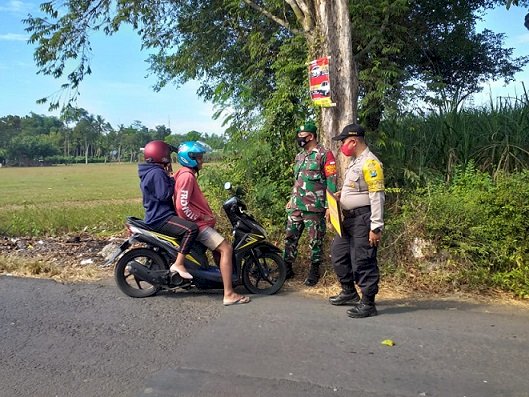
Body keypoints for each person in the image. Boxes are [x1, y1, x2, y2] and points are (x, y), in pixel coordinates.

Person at [173, 141, 251, 306]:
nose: (202, 161)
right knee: (226, 248)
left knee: (218, 251)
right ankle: (228, 294)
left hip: (200, 225)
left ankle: (224, 282)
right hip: (199, 227)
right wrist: (199, 217)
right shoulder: (187, 176)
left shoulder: (183, 173)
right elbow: (182, 206)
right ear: (190, 158)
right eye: (199, 157)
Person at [329, 123, 385, 318]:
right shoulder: (355, 162)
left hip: (364, 219)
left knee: (363, 260)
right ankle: (349, 292)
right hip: (349, 220)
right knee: (339, 254)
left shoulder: (370, 163)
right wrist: (339, 198)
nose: (341, 146)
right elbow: (356, 189)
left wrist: (376, 227)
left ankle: (368, 303)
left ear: (353, 141)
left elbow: (377, 195)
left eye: (343, 141)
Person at [283, 120, 338, 286]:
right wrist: (291, 198)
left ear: (311, 136)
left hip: (314, 206)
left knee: (315, 240)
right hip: (296, 205)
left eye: (302, 136)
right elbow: (298, 180)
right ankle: (287, 268)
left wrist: (330, 206)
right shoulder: (299, 156)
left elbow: (331, 180)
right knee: (290, 237)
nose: (299, 138)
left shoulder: (324, 154)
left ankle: (314, 270)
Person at [138, 140, 199, 280]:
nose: (170, 158)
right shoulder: (157, 173)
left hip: (156, 215)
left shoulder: (150, 171)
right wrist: (172, 180)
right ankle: (179, 264)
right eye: (168, 155)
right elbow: (163, 194)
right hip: (161, 218)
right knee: (191, 229)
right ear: (162, 155)